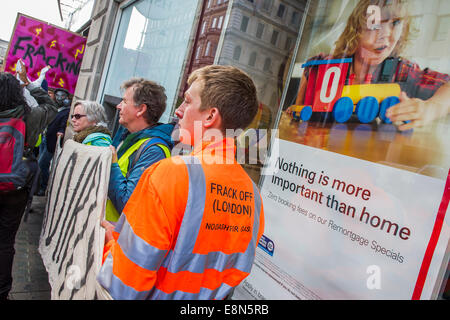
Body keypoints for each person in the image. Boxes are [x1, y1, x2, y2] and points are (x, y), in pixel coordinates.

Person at [96, 65, 265, 300]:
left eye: (187, 101)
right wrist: (127, 238)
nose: (178, 111)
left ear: (210, 116)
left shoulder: (169, 174)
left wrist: (114, 247)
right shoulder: (252, 194)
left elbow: (123, 286)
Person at [287, 0, 450, 130]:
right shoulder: (320, 65)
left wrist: (432, 108)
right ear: (356, 27)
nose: (385, 35)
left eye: (395, 23)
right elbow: (296, 117)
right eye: (374, 22)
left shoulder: (402, 71)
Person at [0, 71, 57, 300]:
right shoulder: (30, 116)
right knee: (5, 240)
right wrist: (30, 85)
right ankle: (3, 290)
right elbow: (51, 107)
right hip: (17, 184)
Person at [105, 78, 175, 223]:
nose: (118, 106)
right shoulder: (127, 137)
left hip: (118, 239)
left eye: (124, 101)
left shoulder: (154, 151)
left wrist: (111, 164)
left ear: (141, 109)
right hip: (106, 236)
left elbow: (127, 203)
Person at [36, 87, 71, 196]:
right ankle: (38, 186)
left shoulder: (67, 111)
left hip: (51, 143)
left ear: (67, 98)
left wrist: (61, 132)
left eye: (63, 96)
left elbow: (64, 124)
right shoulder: (54, 108)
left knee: (41, 164)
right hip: (44, 139)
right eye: (58, 95)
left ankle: (44, 186)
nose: (60, 98)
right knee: (40, 164)